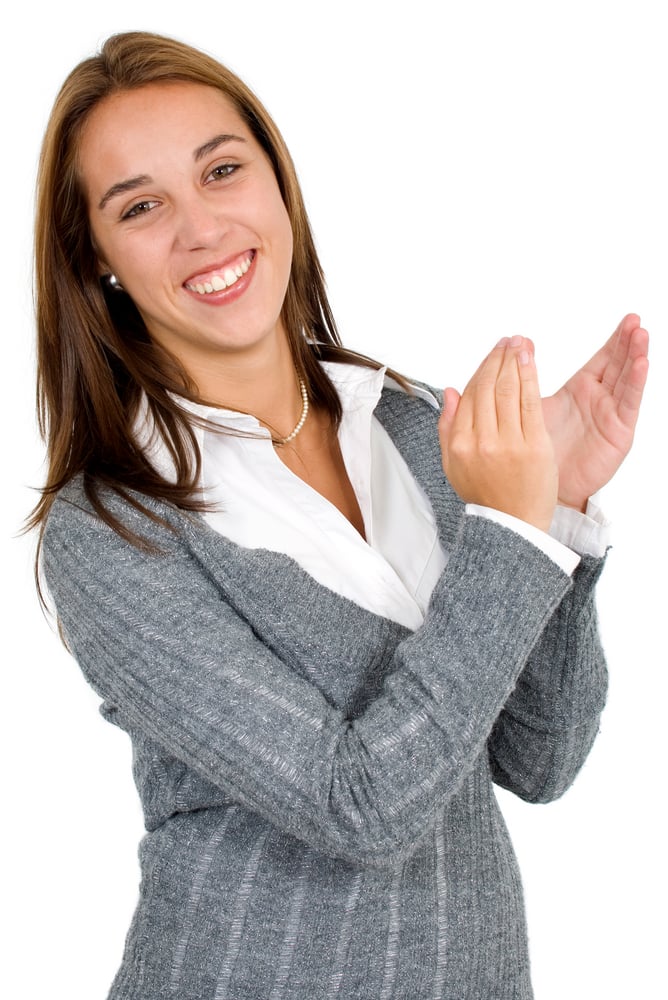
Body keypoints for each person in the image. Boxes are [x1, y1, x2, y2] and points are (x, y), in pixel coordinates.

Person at [32, 30, 648, 1000]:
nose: (200, 228)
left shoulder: (415, 428)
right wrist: (505, 537)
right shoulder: (113, 528)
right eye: (141, 206)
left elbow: (538, 758)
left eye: (222, 170)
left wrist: (554, 514)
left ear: (278, 185)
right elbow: (358, 805)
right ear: (97, 259)